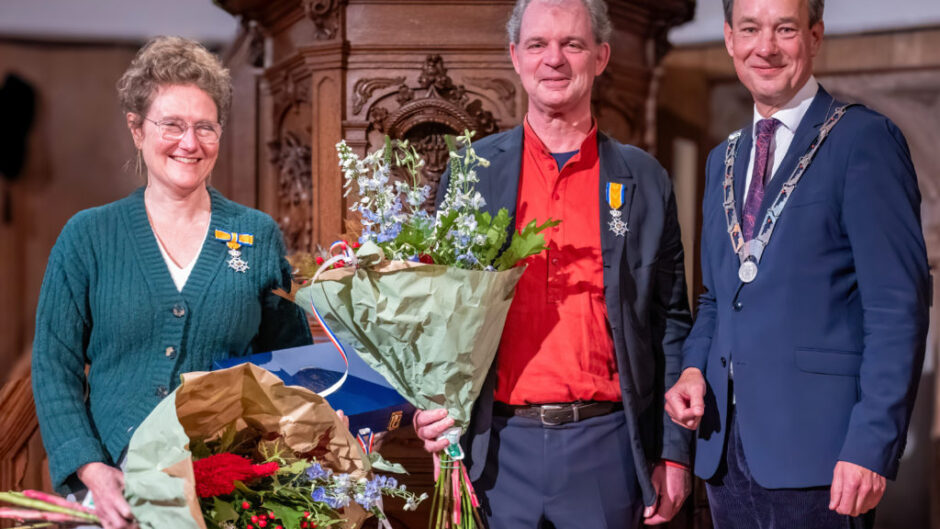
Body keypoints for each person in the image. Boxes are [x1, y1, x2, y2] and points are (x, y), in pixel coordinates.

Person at [413, 0, 694, 527]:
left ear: (601, 56)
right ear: (516, 57)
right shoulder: (471, 174)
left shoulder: (645, 180)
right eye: (538, 44)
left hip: (607, 451)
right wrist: (430, 405)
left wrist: (675, 451)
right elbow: (438, 314)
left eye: (573, 44)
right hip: (495, 452)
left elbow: (672, 321)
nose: (554, 60)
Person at [664, 0, 930, 527]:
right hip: (725, 453)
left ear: (814, 35)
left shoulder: (862, 140)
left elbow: (897, 306)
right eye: (750, 29)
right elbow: (718, 297)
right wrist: (694, 367)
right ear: (729, 39)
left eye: (784, 29)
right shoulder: (725, 157)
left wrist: (871, 444)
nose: (766, 47)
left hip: (822, 455)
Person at [31, 36, 312, 529]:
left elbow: (288, 368)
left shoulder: (256, 235)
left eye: (206, 127)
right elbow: (54, 366)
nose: (190, 143)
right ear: (137, 129)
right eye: (173, 125)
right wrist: (92, 469)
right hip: (110, 494)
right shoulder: (88, 236)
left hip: (222, 492)